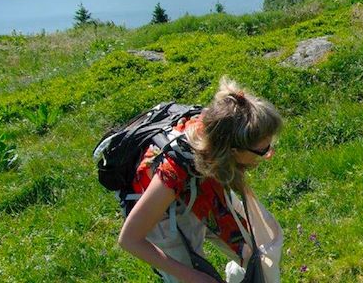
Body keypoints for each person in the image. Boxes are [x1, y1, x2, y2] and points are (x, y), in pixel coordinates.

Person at [118, 77, 282, 283]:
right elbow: (129, 240)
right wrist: (193, 276)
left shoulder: (222, 127)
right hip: (164, 214)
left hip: (200, 184)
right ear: (233, 150)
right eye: (263, 150)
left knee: (254, 249)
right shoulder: (171, 173)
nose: (269, 154)